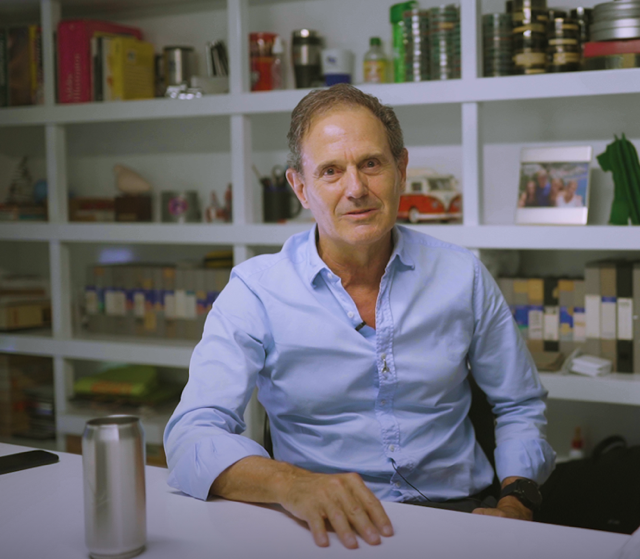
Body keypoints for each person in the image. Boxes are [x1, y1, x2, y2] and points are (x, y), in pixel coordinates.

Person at [164, 84, 556, 550]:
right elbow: (193, 434)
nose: (356, 189)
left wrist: (517, 499)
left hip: (461, 517)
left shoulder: (462, 274)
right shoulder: (256, 290)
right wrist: (290, 484)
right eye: (331, 171)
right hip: (319, 524)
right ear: (300, 188)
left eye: (371, 163)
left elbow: (518, 405)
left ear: (400, 169)